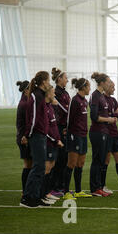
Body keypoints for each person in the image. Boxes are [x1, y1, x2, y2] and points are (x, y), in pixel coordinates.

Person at [20, 71, 52, 208]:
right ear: (44, 81)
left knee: (40, 167)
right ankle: (27, 198)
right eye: (48, 80)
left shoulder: (41, 95)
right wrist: (27, 135)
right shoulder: (35, 95)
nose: (50, 82)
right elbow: (32, 118)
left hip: (41, 135)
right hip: (36, 136)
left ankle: (36, 196)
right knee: (38, 166)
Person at [63, 78, 93, 200]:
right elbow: (69, 119)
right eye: (89, 86)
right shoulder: (74, 100)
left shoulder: (85, 101)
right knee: (71, 163)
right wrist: (69, 133)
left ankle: (78, 191)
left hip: (83, 135)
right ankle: (66, 192)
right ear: (83, 87)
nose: (90, 89)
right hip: (74, 135)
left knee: (80, 164)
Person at [89, 72, 117, 197]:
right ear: (101, 83)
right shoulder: (95, 96)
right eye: (108, 82)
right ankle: (95, 188)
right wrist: (109, 120)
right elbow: (94, 116)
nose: (109, 84)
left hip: (104, 131)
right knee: (97, 160)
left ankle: (99, 187)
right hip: (97, 132)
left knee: (101, 160)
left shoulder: (101, 96)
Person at [41, 85, 64, 205]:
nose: (55, 95)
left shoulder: (50, 107)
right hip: (49, 142)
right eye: (53, 93)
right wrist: (55, 140)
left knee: (51, 166)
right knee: (46, 168)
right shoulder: (44, 108)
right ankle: (43, 194)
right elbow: (45, 129)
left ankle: (47, 193)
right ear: (47, 94)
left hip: (55, 142)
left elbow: (54, 125)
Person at [50, 67, 70, 197]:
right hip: (60, 129)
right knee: (59, 159)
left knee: (65, 158)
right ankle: (55, 186)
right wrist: (62, 127)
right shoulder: (55, 93)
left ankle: (62, 186)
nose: (67, 80)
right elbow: (56, 113)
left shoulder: (65, 93)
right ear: (59, 79)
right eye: (65, 77)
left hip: (66, 128)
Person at [16, 80, 31, 197]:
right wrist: (24, 136)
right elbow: (23, 124)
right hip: (24, 138)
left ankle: (27, 189)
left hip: (24, 136)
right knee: (28, 164)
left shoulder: (26, 101)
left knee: (30, 164)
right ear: (26, 90)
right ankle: (24, 191)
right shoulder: (25, 104)